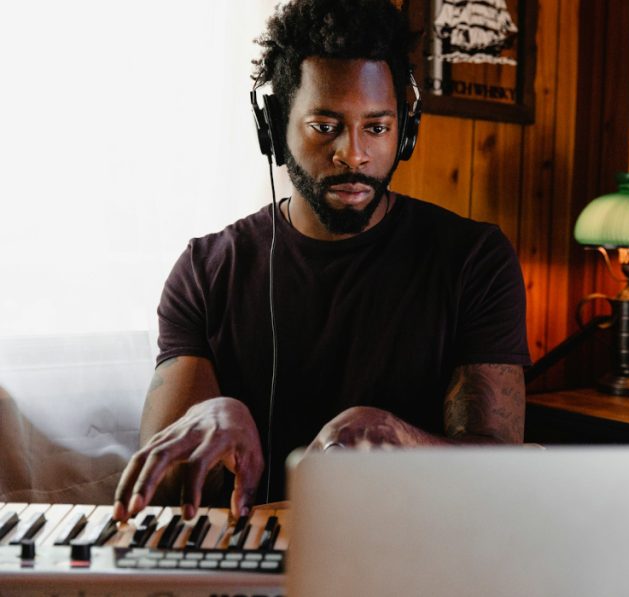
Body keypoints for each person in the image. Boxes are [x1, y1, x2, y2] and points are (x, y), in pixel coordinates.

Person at [113, 0, 529, 522]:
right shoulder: (205, 269)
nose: (353, 154)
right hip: (252, 561)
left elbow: (502, 471)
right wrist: (209, 417)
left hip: (413, 550)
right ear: (274, 131)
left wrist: (400, 437)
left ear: (406, 131)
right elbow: (164, 489)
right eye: (325, 125)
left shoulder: (474, 259)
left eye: (376, 128)